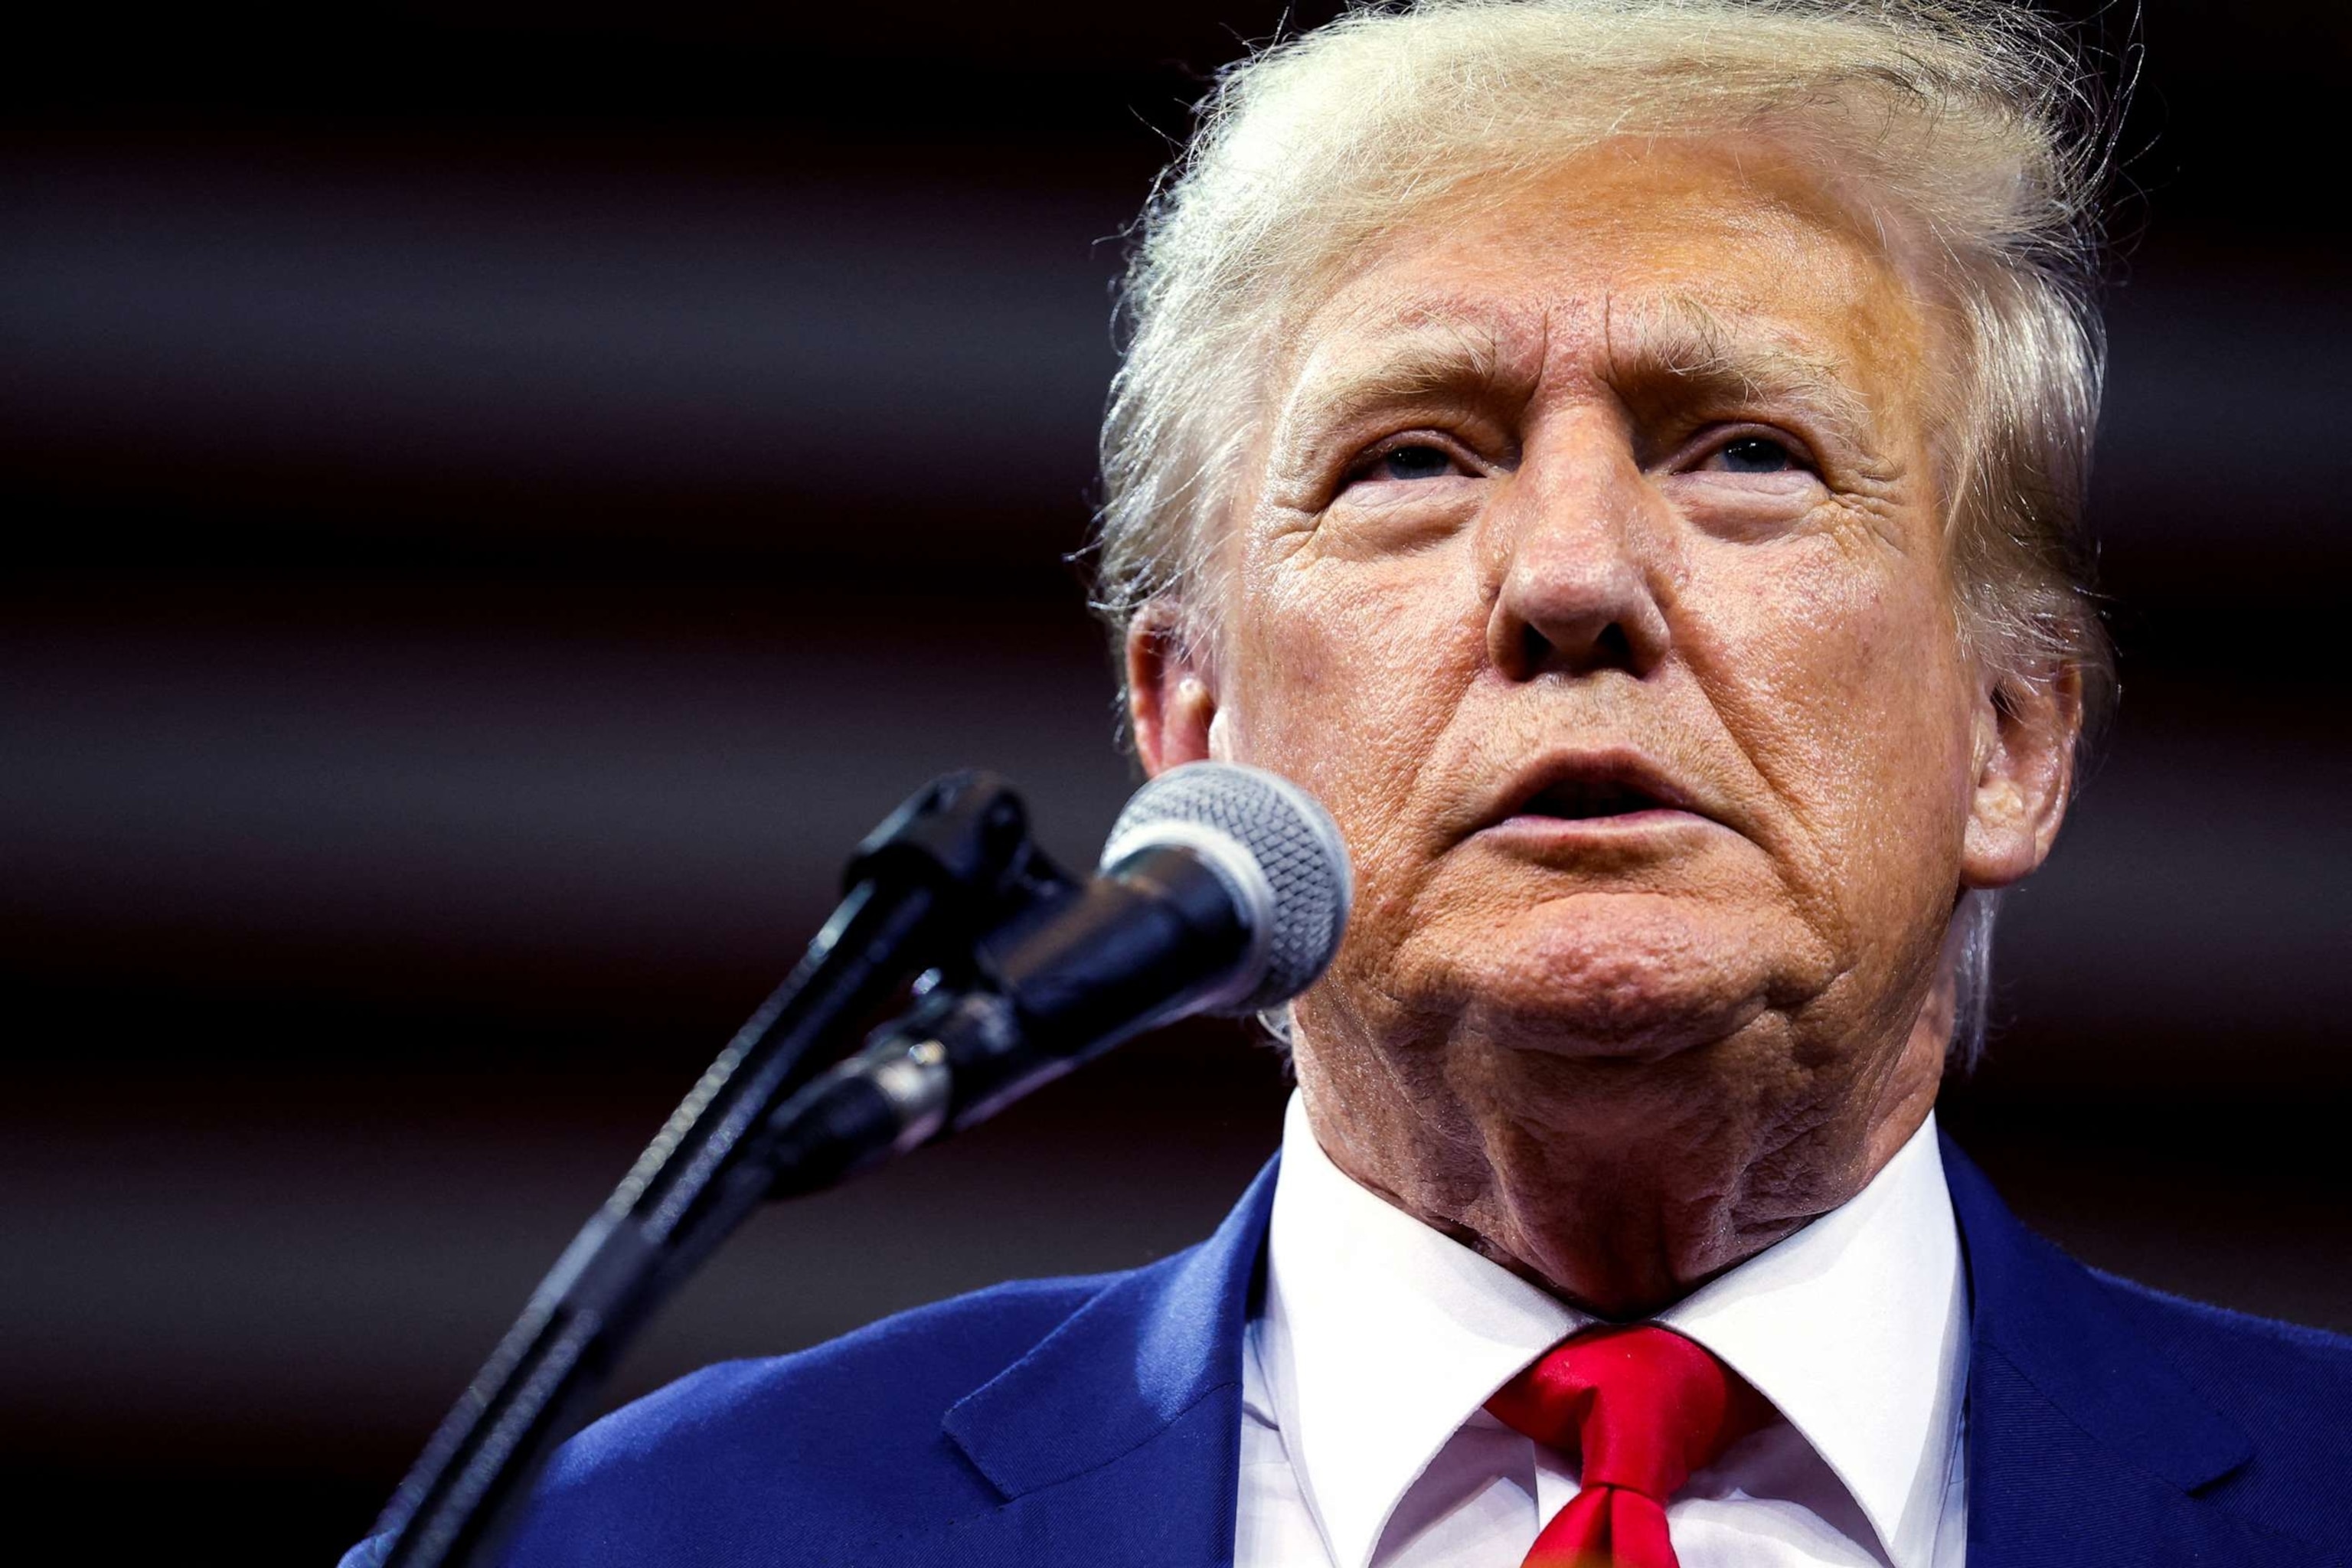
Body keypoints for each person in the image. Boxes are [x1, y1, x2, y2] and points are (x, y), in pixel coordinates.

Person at [353, 3, 2352, 1564]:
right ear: (1189, 727)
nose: (1573, 578)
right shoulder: (649, 1544)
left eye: (1744, 447)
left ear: (2013, 735)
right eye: (1413, 458)